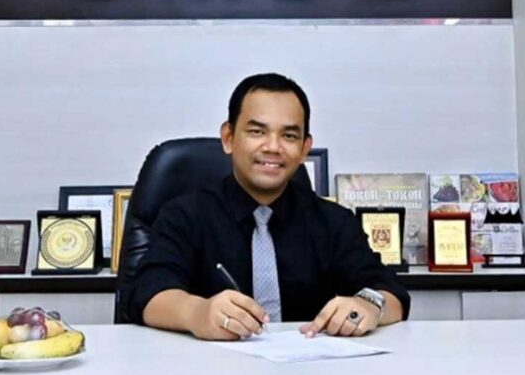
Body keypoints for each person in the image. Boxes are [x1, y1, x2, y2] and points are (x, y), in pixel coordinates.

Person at [127, 73, 410, 340]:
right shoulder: (184, 215)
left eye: (289, 136)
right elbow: (147, 294)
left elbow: (391, 293)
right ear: (228, 138)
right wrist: (197, 313)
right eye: (257, 131)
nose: (273, 147)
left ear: (304, 148)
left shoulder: (334, 221)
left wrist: (370, 306)